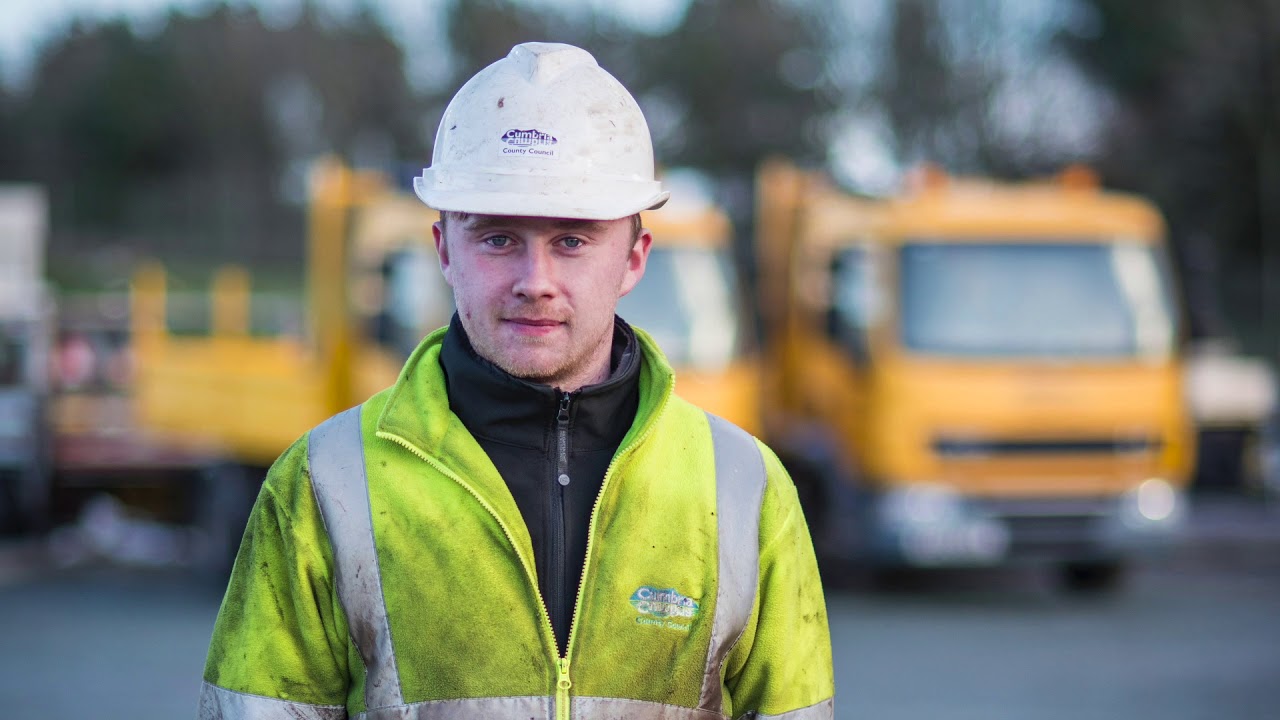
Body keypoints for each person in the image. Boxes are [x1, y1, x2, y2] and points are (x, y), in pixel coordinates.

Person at [198, 42, 833, 720]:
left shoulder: (744, 490)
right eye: (499, 238)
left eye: (572, 241)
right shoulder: (323, 482)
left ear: (634, 257)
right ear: (444, 248)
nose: (536, 283)